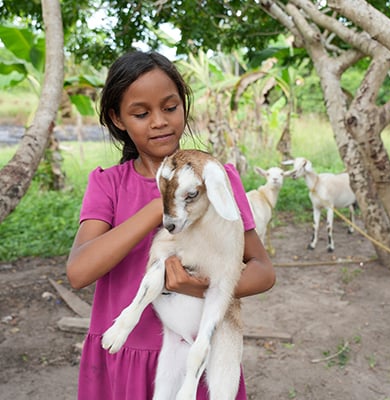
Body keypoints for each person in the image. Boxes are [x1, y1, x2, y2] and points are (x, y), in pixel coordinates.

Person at [66, 50, 276, 400]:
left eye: (170, 107)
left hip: (198, 357)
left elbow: (263, 271)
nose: (159, 121)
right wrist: (158, 205)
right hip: (124, 354)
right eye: (141, 113)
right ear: (118, 119)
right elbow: (78, 272)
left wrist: (198, 286)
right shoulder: (108, 185)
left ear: (184, 106)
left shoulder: (215, 179)